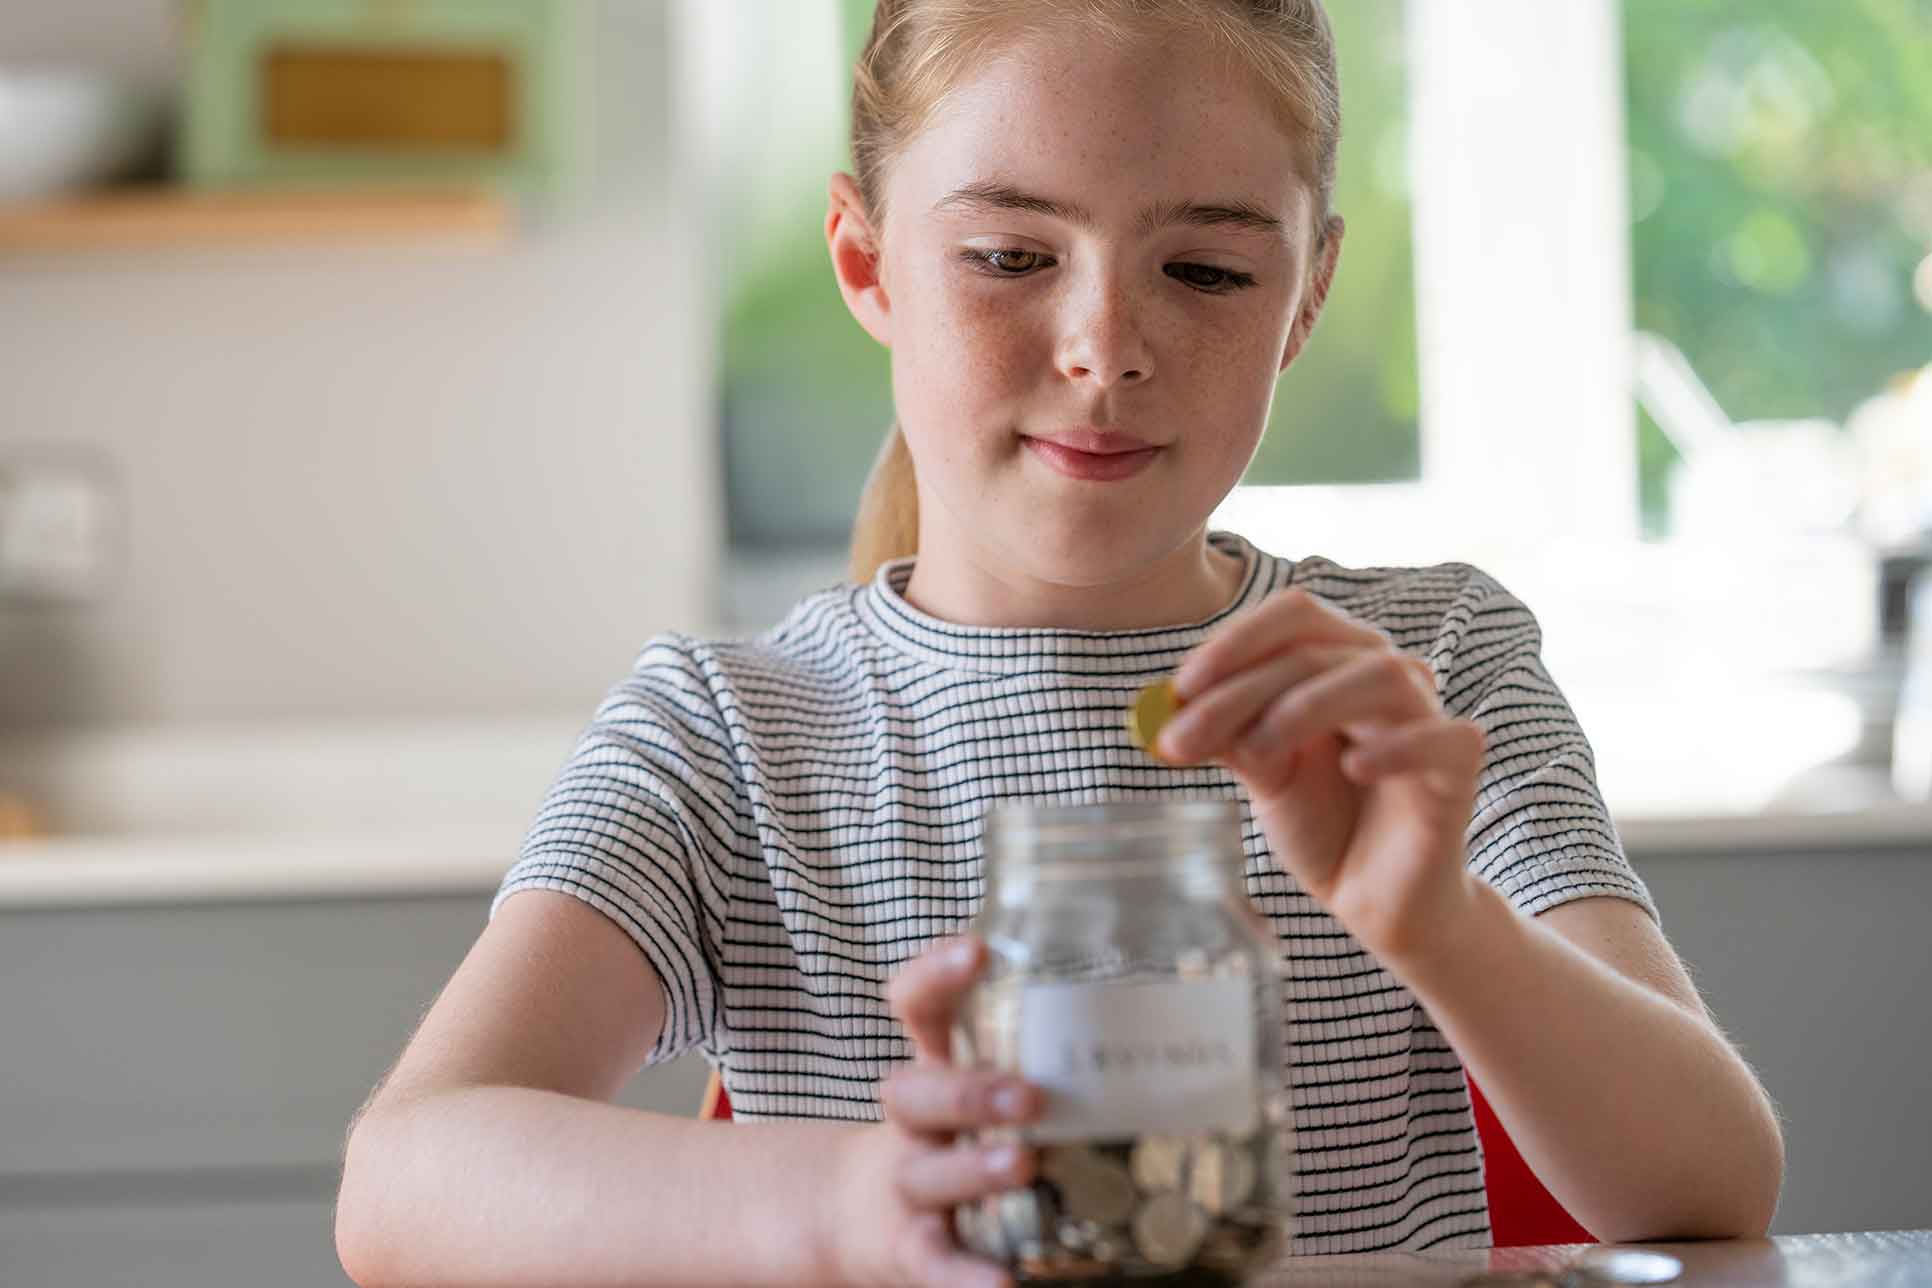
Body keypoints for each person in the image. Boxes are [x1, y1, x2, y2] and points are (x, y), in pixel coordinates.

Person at [334, 2, 1785, 1284]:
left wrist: (1438, 925)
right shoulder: (731, 732)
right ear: (867, 260)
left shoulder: (1430, 666)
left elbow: (1713, 1192)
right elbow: (407, 1185)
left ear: (1306, 298)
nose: (1104, 345)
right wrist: (854, 1208)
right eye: (1011, 253)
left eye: (1207, 271)